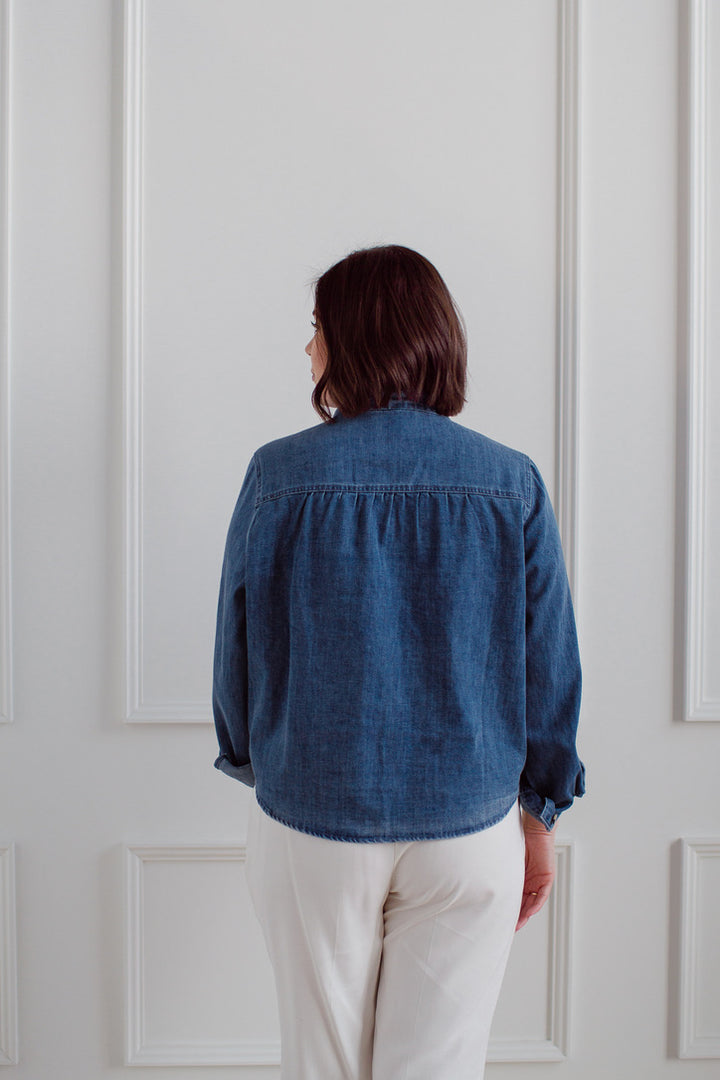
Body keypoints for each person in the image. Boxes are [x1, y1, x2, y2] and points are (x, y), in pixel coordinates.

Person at [212, 244, 585, 1079]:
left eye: (316, 331)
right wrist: (540, 811)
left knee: (324, 1066)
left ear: (352, 339)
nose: (308, 352)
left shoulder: (277, 477)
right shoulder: (509, 480)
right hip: (470, 819)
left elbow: (235, 645)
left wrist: (253, 759)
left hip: (312, 813)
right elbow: (550, 666)